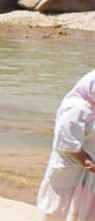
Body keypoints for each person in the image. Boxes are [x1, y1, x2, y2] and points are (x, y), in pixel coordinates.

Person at [37, 70, 95, 221]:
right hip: (71, 166)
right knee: (61, 207)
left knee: (83, 204)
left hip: (87, 168)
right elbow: (67, 141)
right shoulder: (77, 108)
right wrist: (86, 161)